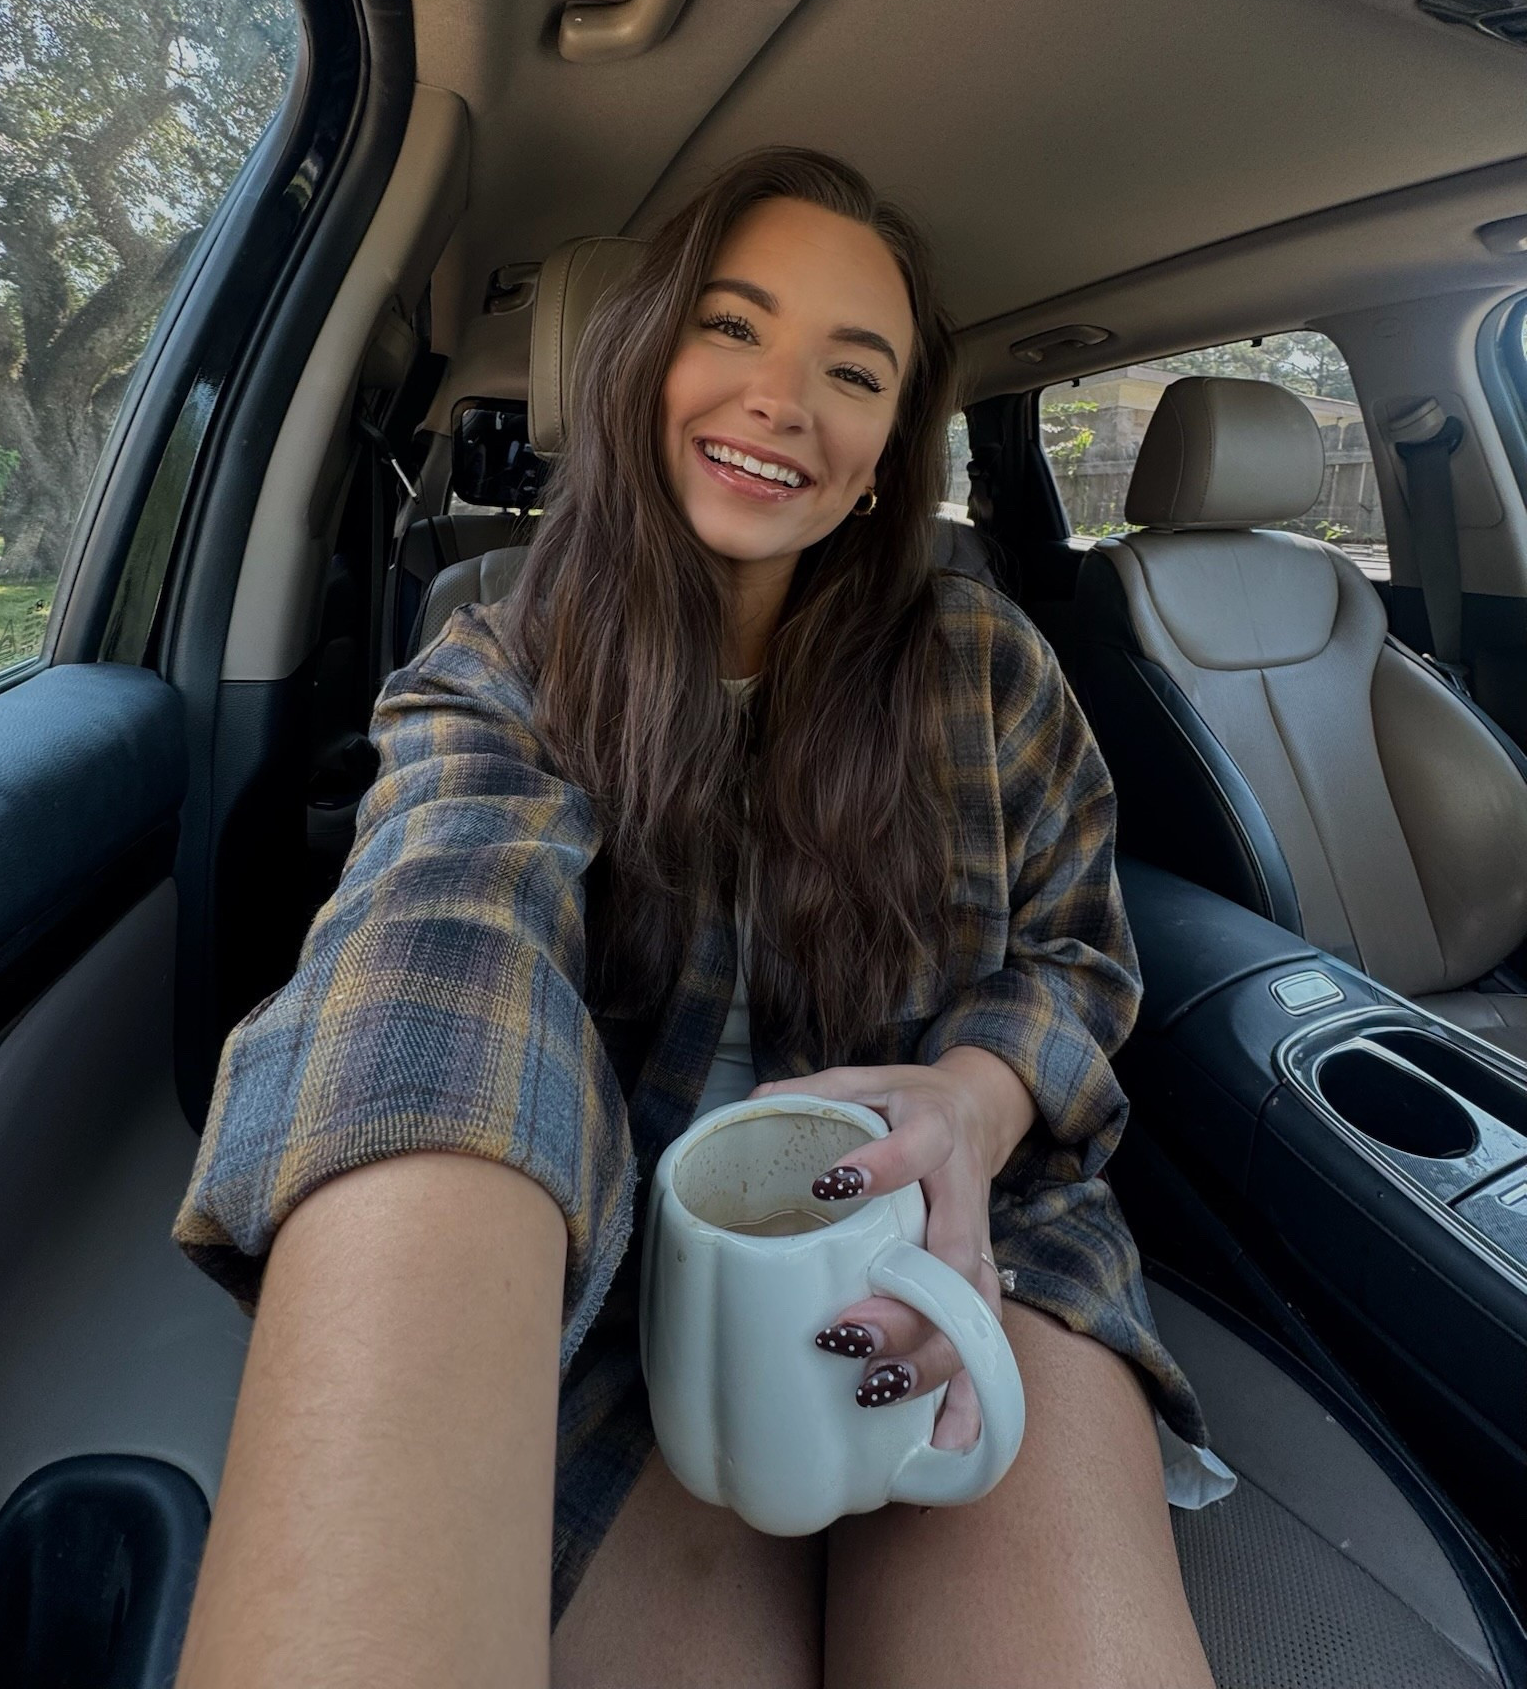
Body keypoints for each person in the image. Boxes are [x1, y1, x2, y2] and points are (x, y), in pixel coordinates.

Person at [172, 148, 1218, 1688]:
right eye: (731, 327)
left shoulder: (988, 666)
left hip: (969, 1245)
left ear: (883, 455)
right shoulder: (491, 665)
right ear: (643, 358)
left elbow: (1072, 957)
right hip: (620, 1307)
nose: (781, 397)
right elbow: (443, 951)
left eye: (851, 371)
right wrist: (429, 1233)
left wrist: (972, 1107)